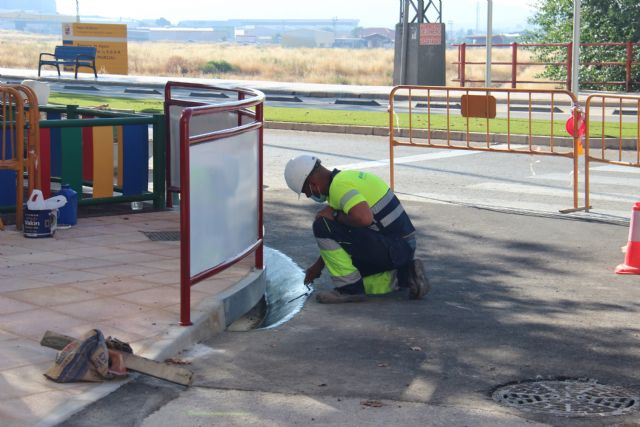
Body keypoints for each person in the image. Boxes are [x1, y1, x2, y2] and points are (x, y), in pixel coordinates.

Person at [284, 154, 430, 304]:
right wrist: (318, 267)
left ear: (312, 184)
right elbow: (339, 240)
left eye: (306, 192)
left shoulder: (339, 187)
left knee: (322, 224)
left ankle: (349, 289)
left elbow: (363, 218)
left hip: (394, 249)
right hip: (402, 248)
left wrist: (333, 214)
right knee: (355, 272)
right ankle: (407, 274)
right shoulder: (346, 178)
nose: (309, 196)